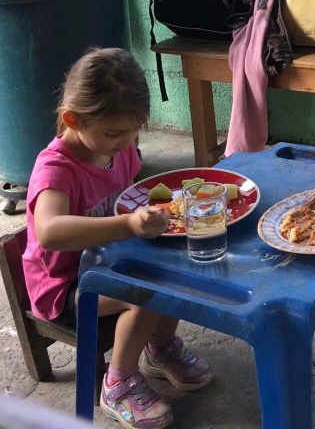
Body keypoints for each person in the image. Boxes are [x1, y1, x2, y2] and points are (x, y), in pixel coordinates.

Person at [23, 48, 212, 429]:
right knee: (147, 291)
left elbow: (132, 193)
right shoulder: (56, 168)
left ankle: (159, 348)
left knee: (180, 265)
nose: (126, 142)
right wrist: (127, 225)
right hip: (64, 287)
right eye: (114, 133)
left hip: (109, 260)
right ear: (73, 119)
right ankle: (118, 384)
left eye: (134, 131)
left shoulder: (117, 150)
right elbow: (49, 231)